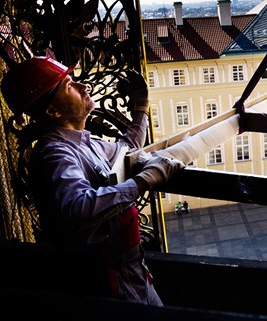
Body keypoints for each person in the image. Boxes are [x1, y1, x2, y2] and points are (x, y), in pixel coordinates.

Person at [0, 56, 186, 306]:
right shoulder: (56, 154)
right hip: (111, 280)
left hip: (129, 270)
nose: (82, 86)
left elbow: (126, 149)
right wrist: (142, 182)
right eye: (70, 85)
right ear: (52, 111)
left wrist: (140, 107)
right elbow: (76, 206)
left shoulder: (83, 143)